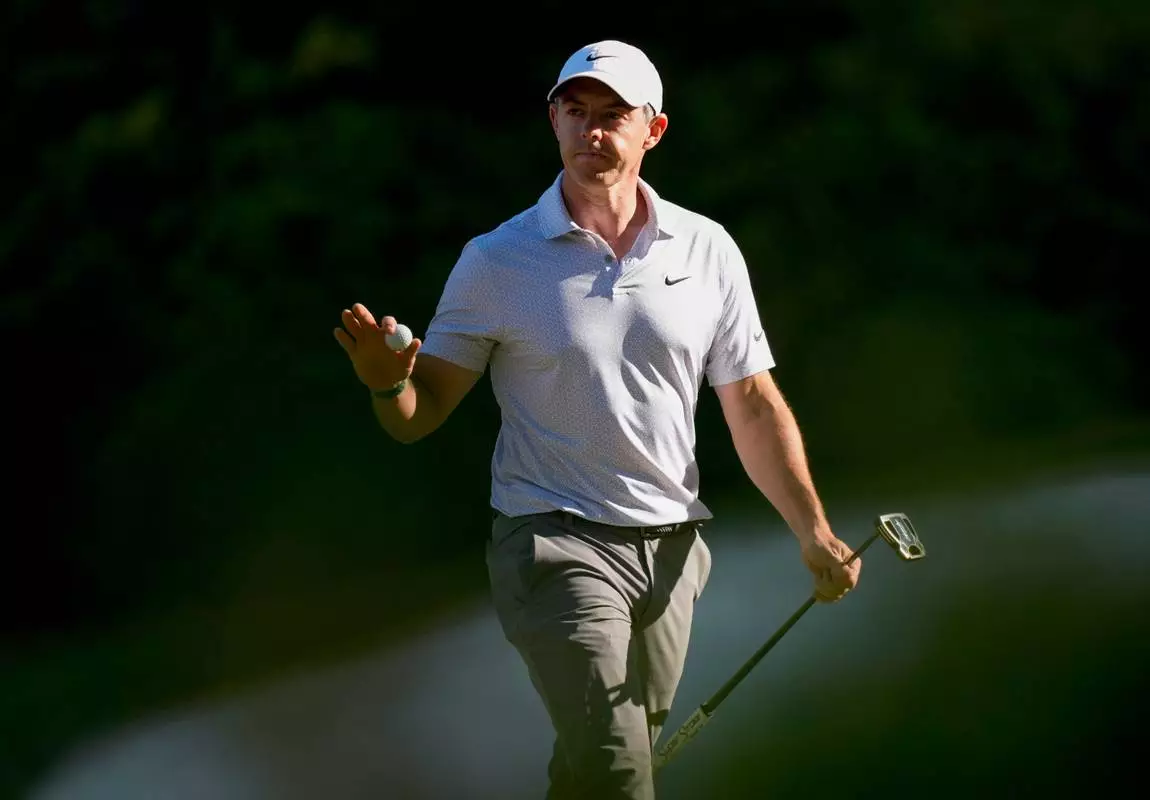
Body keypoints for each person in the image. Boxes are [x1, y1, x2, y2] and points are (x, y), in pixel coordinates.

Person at [333, 39, 861, 800]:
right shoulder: (497, 260)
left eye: (613, 114)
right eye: (575, 111)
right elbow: (420, 414)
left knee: (597, 770)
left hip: (673, 550)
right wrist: (389, 387)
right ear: (553, 120)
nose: (592, 129)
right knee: (619, 769)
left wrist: (813, 531)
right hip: (553, 544)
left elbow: (751, 401)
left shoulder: (706, 248)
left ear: (654, 130)